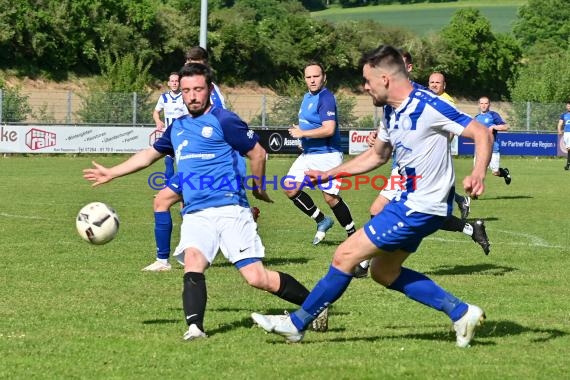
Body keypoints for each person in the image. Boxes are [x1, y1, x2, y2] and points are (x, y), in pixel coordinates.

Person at [251, 44, 493, 348]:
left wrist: (479, 172)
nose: (364, 87)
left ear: (385, 78)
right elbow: (376, 156)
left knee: (345, 256)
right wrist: (330, 175)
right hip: (411, 203)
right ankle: (461, 313)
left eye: (367, 81)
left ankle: (297, 324)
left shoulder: (427, 105)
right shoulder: (391, 112)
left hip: (420, 205)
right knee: (384, 272)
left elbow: (482, 133)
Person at [84, 63, 327, 340]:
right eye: (187, 91)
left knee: (256, 278)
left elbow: (258, 153)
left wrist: (258, 188)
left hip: (230, 210)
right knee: (193, 262)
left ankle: (315, 306)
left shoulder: (224, 120)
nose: (192, 96)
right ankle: (195, 328)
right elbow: (148, 155)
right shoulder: (177, 127)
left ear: (209, 90)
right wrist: (112, 172)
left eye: (198, 89)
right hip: (196, 213)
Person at [143, 47, 229, 272]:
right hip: (190, 160)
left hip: (210, 165)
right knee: (166, 202)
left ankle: (182, 255)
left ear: (206, 65)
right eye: (189, 61)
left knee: (199, 208)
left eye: (196, 61)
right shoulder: (188, 87)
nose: (191, 64)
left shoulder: (212, 93)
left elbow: (219, 124)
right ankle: (164, 260)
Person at [283, 61, 356, 245]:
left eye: (316, 76)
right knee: (289, 187)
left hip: (327, 155)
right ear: (304, 79)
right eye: (308, 77)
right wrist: (301, 133)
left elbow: (329, 129)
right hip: (309, 153)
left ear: (324, 77)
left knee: (330, 197)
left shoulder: (326, 98)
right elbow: (310, 123)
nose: (312, 80)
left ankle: (353, 235)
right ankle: (322, 220)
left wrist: (303, 133)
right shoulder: (307, 97)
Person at [474, 96, 512, 185]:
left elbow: (506, 127)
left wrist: (494, 126)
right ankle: (475, 192)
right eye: (482, 103)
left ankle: (505, 173)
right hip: (480, 149)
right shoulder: (476, 118)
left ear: (489, 104)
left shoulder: (493, 115)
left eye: (486, 103)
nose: (484, 105)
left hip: (493, 148)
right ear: (479, 105)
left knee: (495, 172)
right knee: (477, 172)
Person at [557, 101, 570, 170]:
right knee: (568, 149)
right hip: (566, 134)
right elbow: (560, 123)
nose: (569, 107)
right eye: (568, 106)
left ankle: (568, 165)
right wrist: (559, 130)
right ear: (566, 107)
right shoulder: (564, 115)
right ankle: (568, 164)